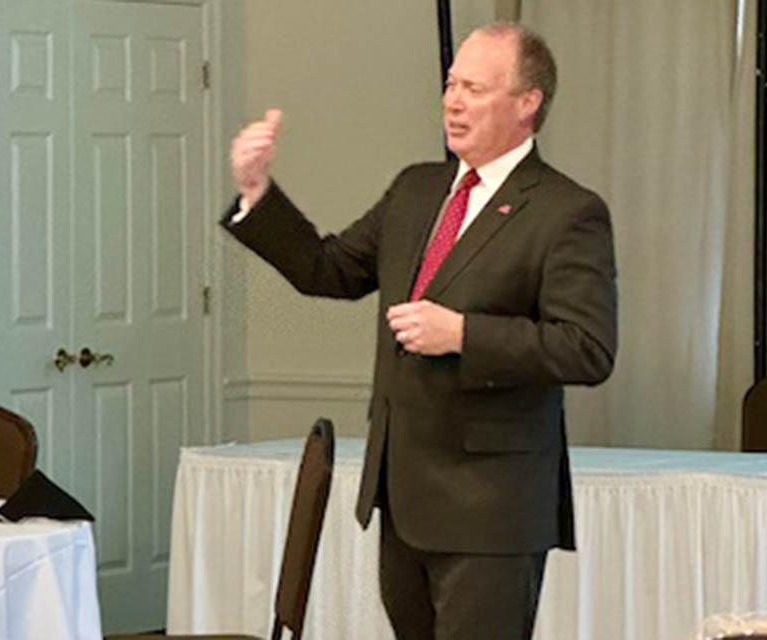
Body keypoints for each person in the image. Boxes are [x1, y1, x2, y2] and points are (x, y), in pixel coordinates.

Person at [223, 22, 618, 640]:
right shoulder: (417, 188)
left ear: (527, 102)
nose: (453, 102)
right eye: (450, 84)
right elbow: (327, 269)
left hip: (492, 510)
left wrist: (464, 333)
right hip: (403, 498)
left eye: (475, 88)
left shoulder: (567, 211)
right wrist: (258, 193)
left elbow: (587, 348)